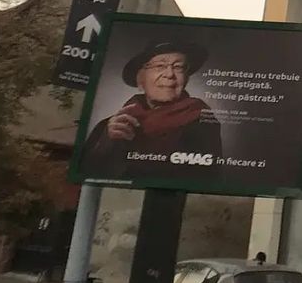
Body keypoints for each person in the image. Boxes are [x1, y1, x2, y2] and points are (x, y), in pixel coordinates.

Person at [80, 42, 223, 180]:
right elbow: (85, 175)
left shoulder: (201, 121)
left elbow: (206, 178)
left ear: (186, 78)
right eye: (159, 66)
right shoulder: (109, 126)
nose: (169, 74)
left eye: (178, 67)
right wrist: (106, 143)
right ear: (141, 78)